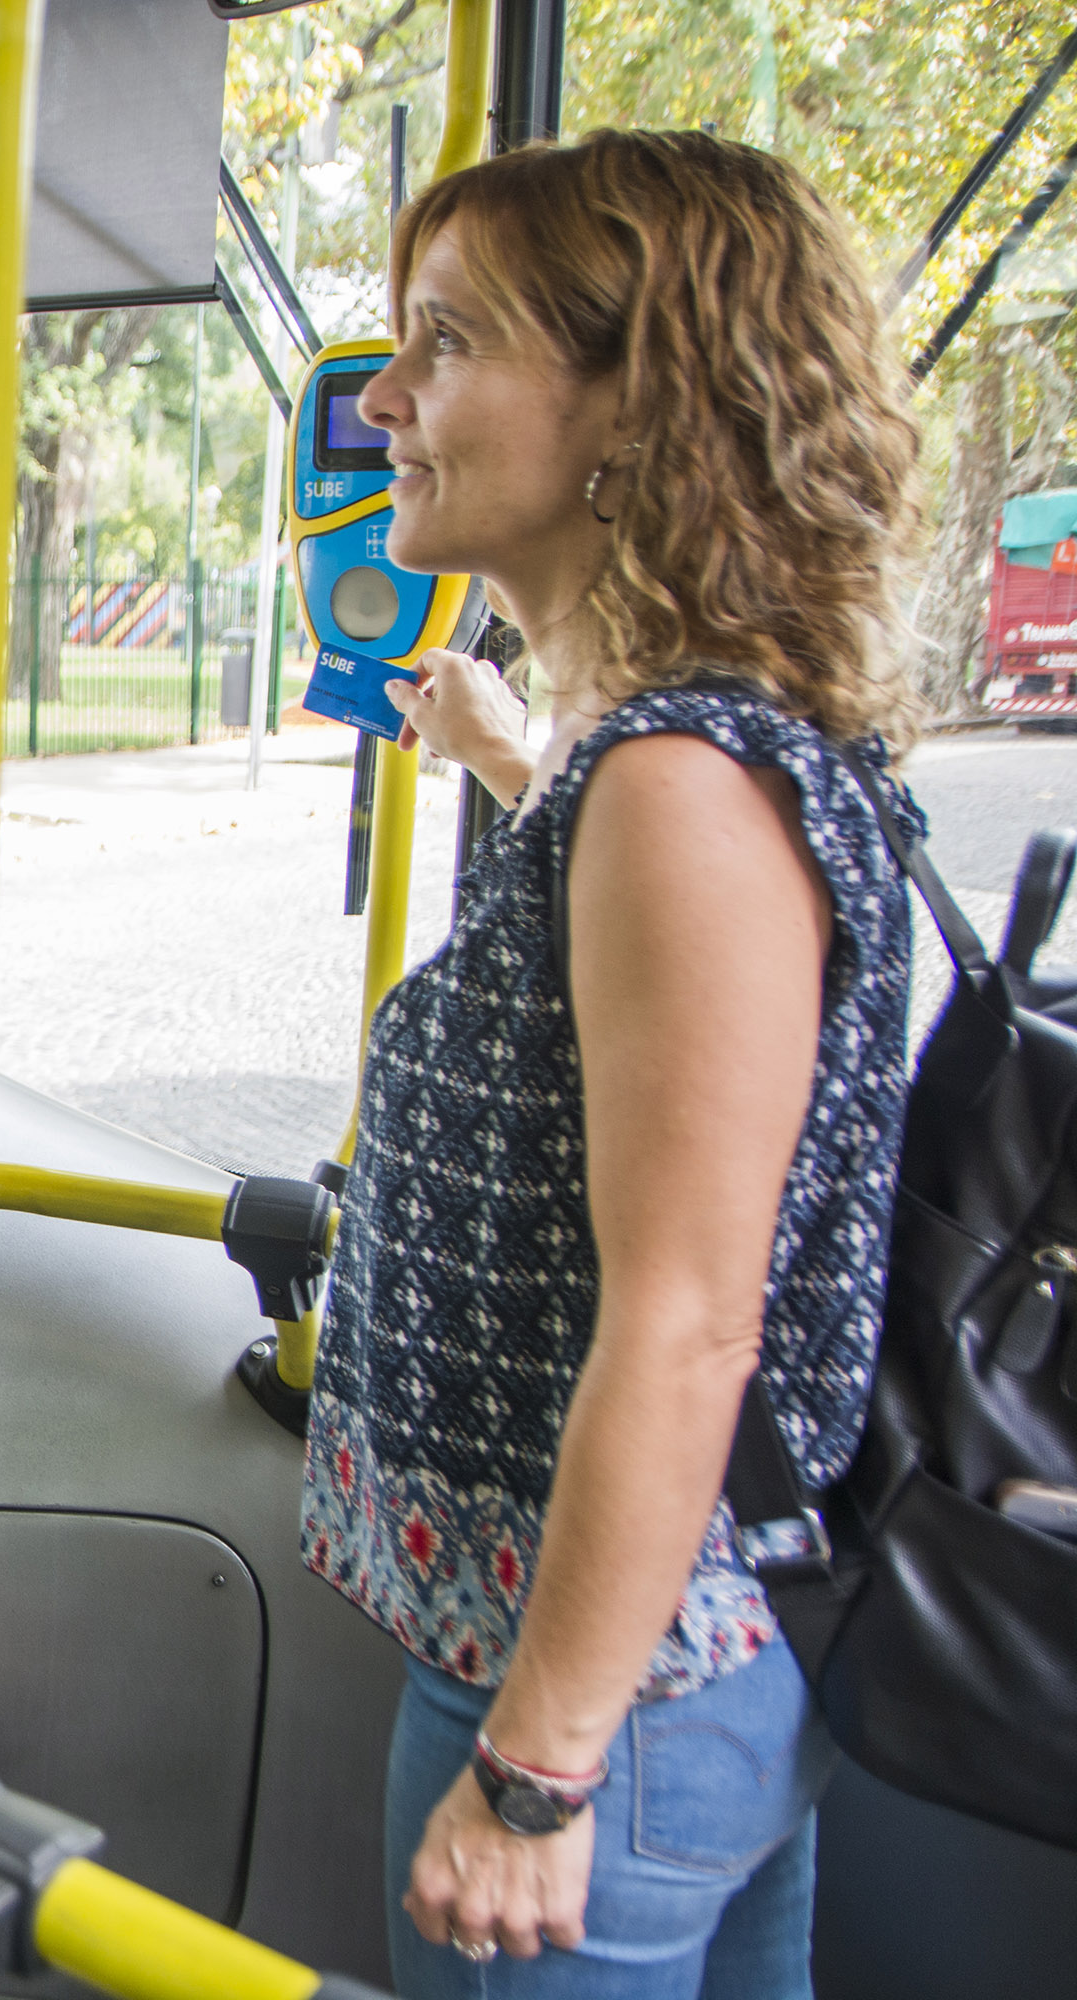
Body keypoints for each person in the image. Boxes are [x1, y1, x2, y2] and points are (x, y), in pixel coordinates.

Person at [300, 130, 923, 1996]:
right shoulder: (673, 765)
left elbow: (685, 1322)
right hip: (679, 1673)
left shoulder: (676, 789)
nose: (386, 403)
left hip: (605, 1704)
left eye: (447, 344)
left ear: (634, 413)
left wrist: (539, 1771)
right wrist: (518, 762)